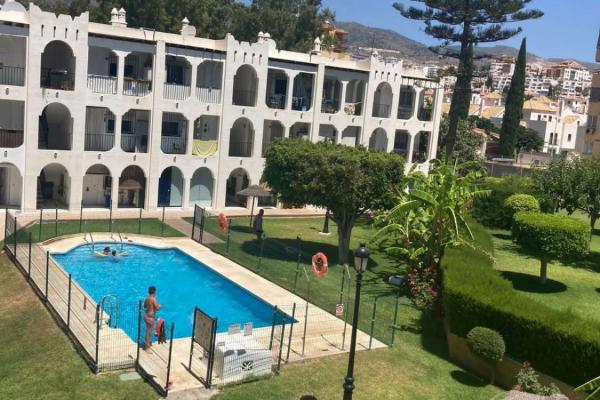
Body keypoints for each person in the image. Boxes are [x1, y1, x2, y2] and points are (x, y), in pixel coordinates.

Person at [143, 286, 161, 352]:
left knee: (148, 331)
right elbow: (157, 308)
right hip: (150, 318)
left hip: (146, 315)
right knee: (148, 333)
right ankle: (147, 348)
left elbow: (144, 306)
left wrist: (150, 306)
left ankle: (147, 343)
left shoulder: (147, 298)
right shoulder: (153, 299)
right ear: (154, 292)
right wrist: (160, 306)